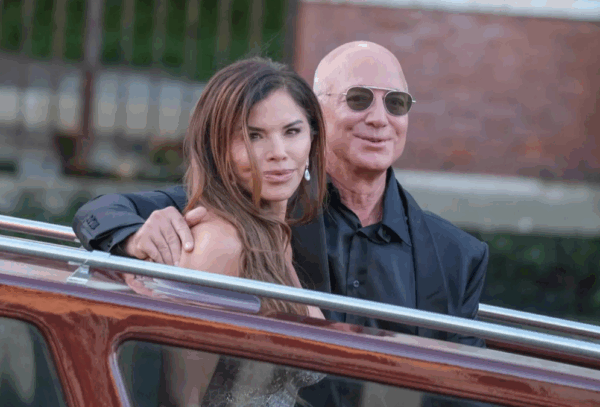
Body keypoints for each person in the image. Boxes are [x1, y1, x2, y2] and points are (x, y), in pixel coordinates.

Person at [73, 41, 489, 405]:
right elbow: (105, 209)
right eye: (359, 99)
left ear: (307, 133)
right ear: (320, 116)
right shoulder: (247, 207)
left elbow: (464, 391)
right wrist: (132, 237)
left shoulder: (459, 255)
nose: (380, 118)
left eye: (396, 103)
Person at [118, 57, 328, 406]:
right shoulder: (220, 244)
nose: (278, 153)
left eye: (292, 132)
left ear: (312, 139)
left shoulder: (275, 233)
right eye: (253, 136)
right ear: (217, 150)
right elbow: (182, 399)